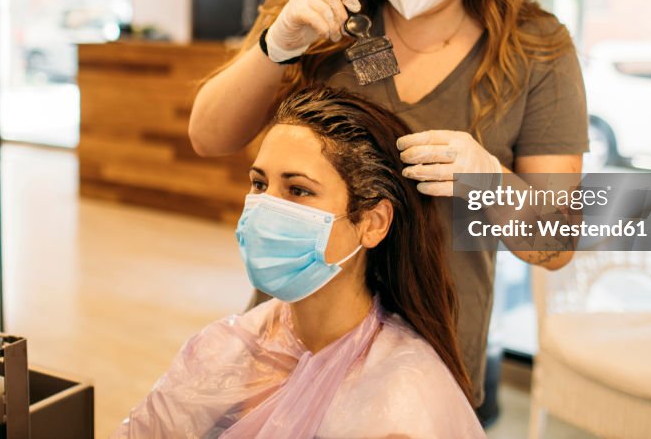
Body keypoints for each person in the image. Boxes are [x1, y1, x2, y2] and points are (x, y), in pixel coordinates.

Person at [189, 0, 589, 409]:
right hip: (292, 347)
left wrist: (491, 184)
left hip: (429, 364)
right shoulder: (325, 12)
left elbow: (556, 243)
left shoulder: (534, 48)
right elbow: (208, 134)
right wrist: (281, 43)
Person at [114, 86, 485, 438]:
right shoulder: (228, 347)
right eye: (260, 185)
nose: (266, 208)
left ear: (372, 223)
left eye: (298, 190)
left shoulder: (406, 395)